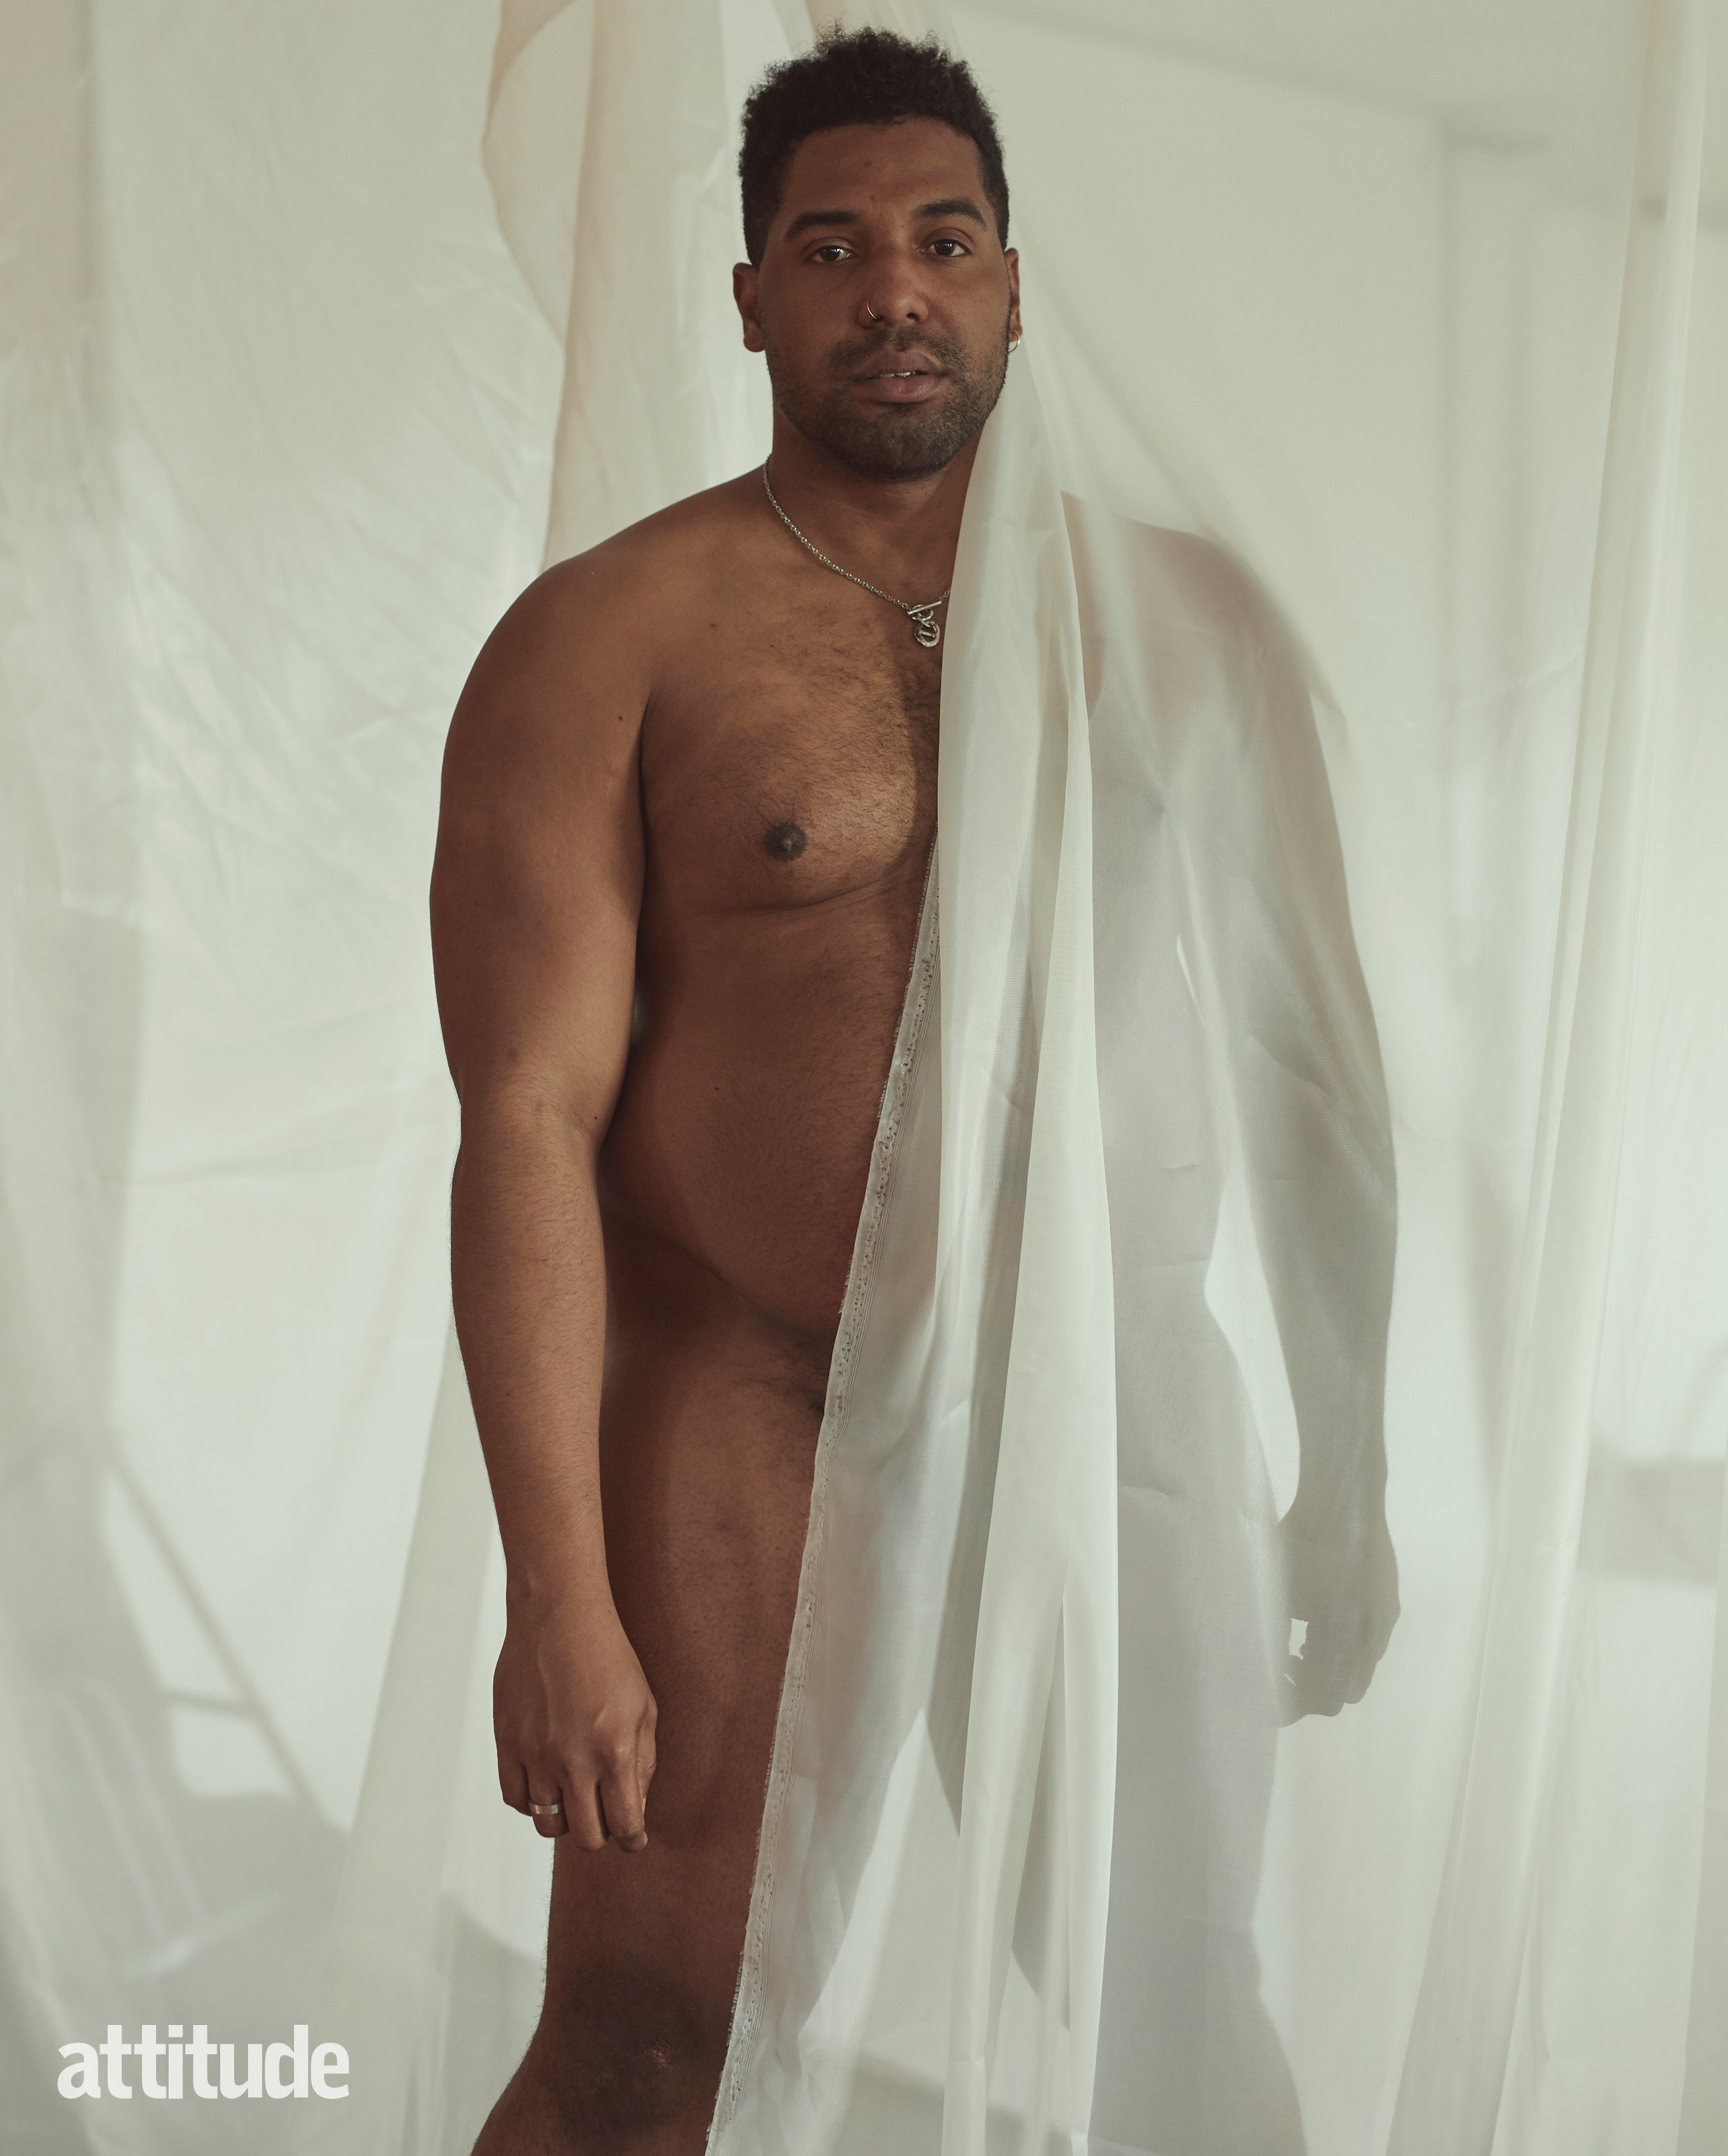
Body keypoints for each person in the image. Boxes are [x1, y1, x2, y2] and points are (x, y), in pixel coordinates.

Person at [432, 29, 1396, 2155]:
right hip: (754, 1391)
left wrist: (1352, 1454)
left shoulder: (1196, 626)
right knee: (647, 2038)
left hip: (1122, 1382)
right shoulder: (609, 642)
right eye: (833, 247)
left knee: (1177, 2013)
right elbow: (525, 1126)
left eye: (945, 243)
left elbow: (1312, 1063)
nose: (895, 291)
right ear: (750, 296)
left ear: (1016, 284)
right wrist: (555, 1591)